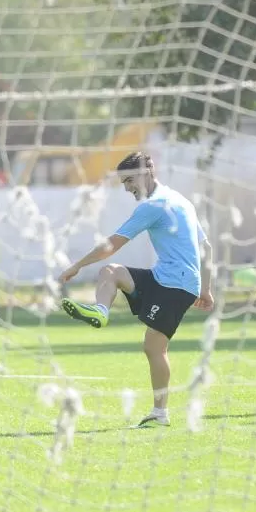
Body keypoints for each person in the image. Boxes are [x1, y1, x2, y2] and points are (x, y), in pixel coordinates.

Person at [58, 152, 214, 427]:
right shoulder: (181, 200)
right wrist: (205, 288)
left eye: (129, 180)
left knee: (154, 347)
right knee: (111, 273)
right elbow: (206, 248)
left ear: (146, 173)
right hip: (170, 278)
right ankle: (101, 311)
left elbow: (112, 244)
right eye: (123, 182)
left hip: (175, 283)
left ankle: (160, 414)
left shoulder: (153, 206)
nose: (127, 187)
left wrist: (77, 265)